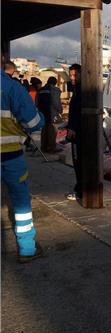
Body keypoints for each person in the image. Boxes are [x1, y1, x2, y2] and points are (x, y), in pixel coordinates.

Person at [1, 64, 45, 262]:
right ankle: (27, 248)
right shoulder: (11, 87)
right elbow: (33, 122)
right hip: (11, 156)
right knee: (20, 201)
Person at [66, 64, 82, 201]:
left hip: (79, 133)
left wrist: (73, 128)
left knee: (79, 161)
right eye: (70, 75)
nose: (72, 77)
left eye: (74, 75)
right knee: (78, 162)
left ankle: (80, 191)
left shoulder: (80, 91)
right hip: (78, 131)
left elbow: (79, 113)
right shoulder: (77, 89)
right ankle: (80, 188)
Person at [36, 77, 63, 153]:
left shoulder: (40, 90)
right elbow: (56, 102)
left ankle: (43, 147)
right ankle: (51, 148)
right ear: (55, 83)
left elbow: (36, 102)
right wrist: (60, 110)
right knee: (52, 130)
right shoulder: (54, 90)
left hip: (42, 112)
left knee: (44, 130)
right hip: (51, 113)